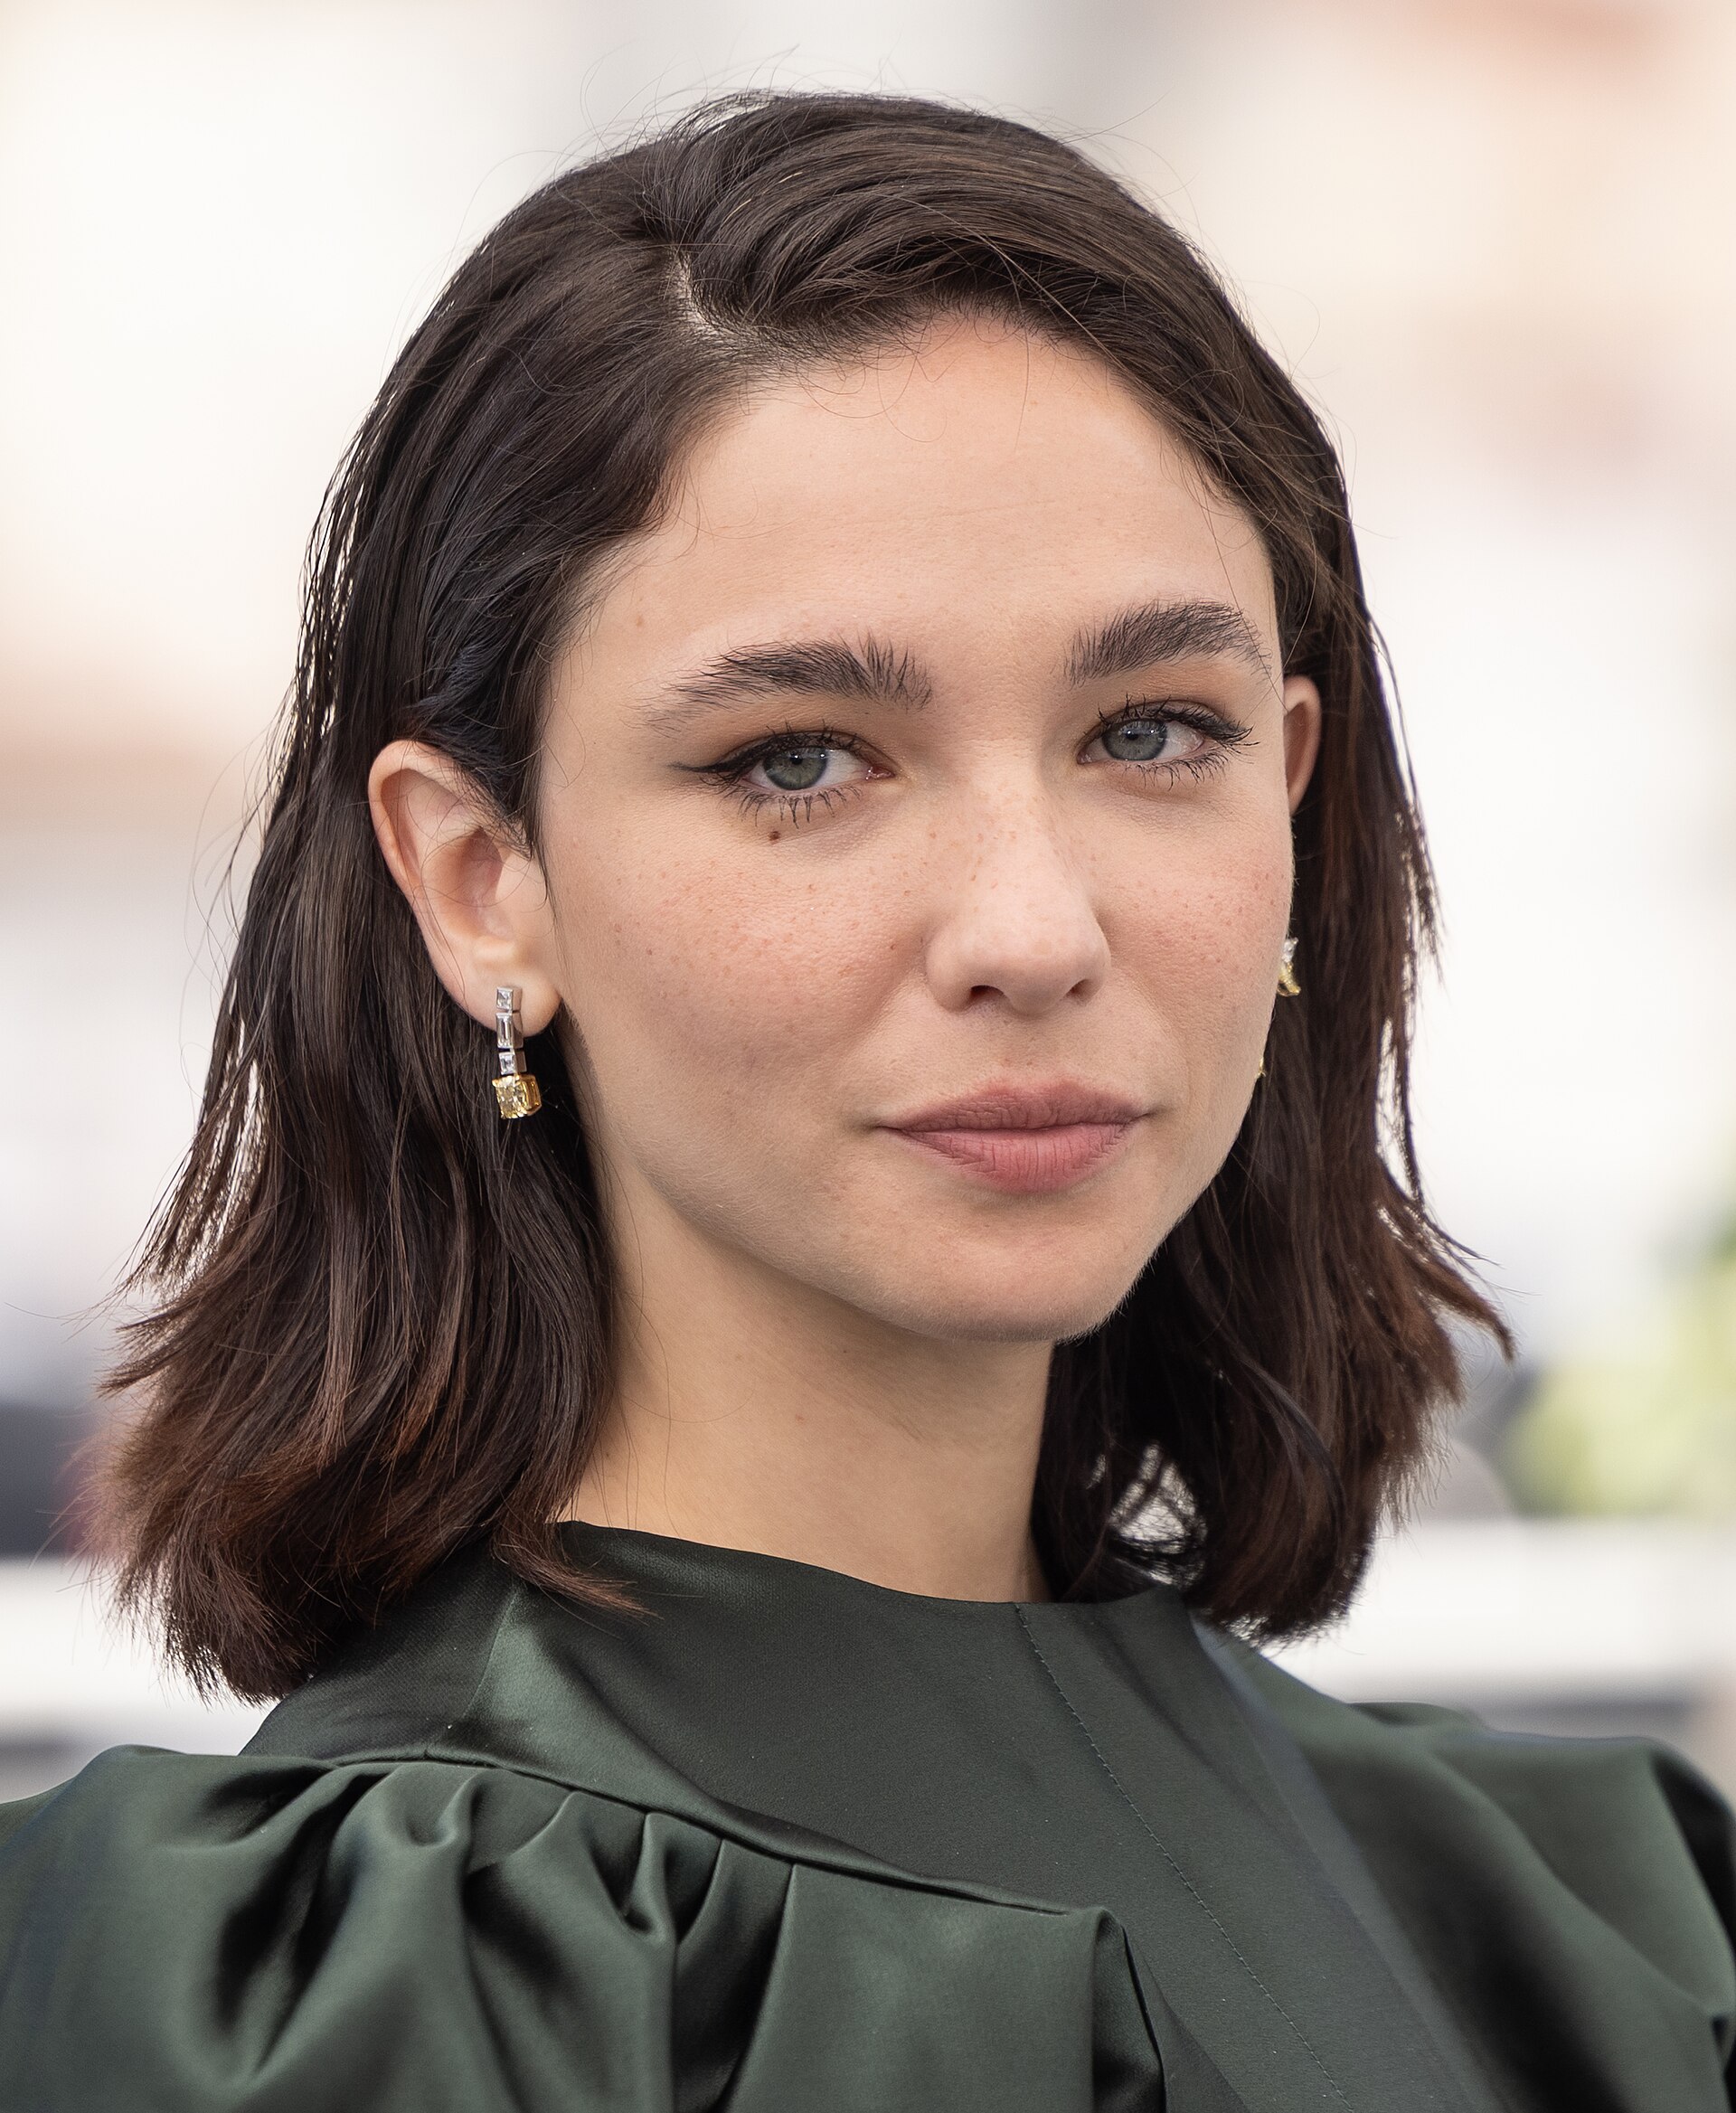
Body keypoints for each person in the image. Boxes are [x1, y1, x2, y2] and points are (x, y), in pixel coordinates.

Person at [0, 90, 1729, 2113]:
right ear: (482, 881)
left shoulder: (1593, 1927)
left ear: (1292, 786)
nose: (1032, 927)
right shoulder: (309, 1997)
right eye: (801, 759)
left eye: (1152, 732)